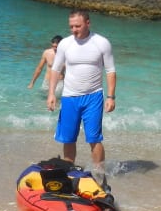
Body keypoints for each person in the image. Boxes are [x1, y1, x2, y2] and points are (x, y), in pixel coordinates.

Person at [47, 10, 116, 180]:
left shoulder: (101, 43)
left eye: (77, 26)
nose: (74, 30)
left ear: (88, 23)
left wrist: (110, 97)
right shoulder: (65, 44)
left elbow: (110, 70)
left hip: (93, 97)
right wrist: (51, 94)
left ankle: (100, 175)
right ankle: (68, 173)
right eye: (71, 26)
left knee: (94, 138)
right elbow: (55, 69)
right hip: (69, 97)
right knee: (68, 138)